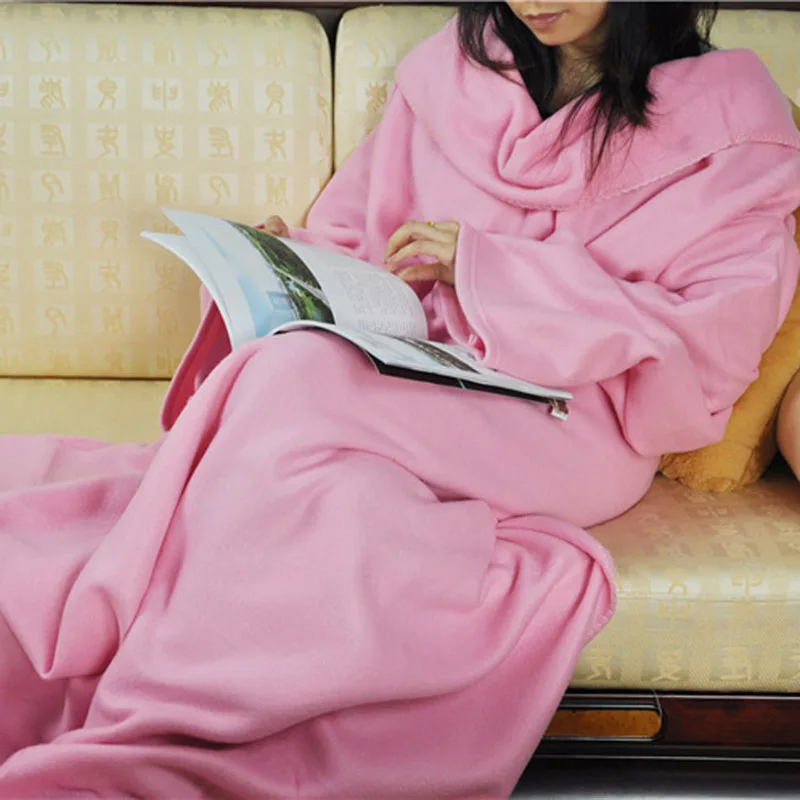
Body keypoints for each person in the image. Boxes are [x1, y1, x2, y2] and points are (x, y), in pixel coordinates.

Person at [1, 2, 799, 797]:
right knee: (319, 446)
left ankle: (157, 707)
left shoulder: (730, 121)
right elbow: (364, 236)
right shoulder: (462, 73)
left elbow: (712, 340)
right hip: (423, 367)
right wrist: (290, 259)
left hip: (576, 415)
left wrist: (494, 273)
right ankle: (172, 686)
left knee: (292, 381)